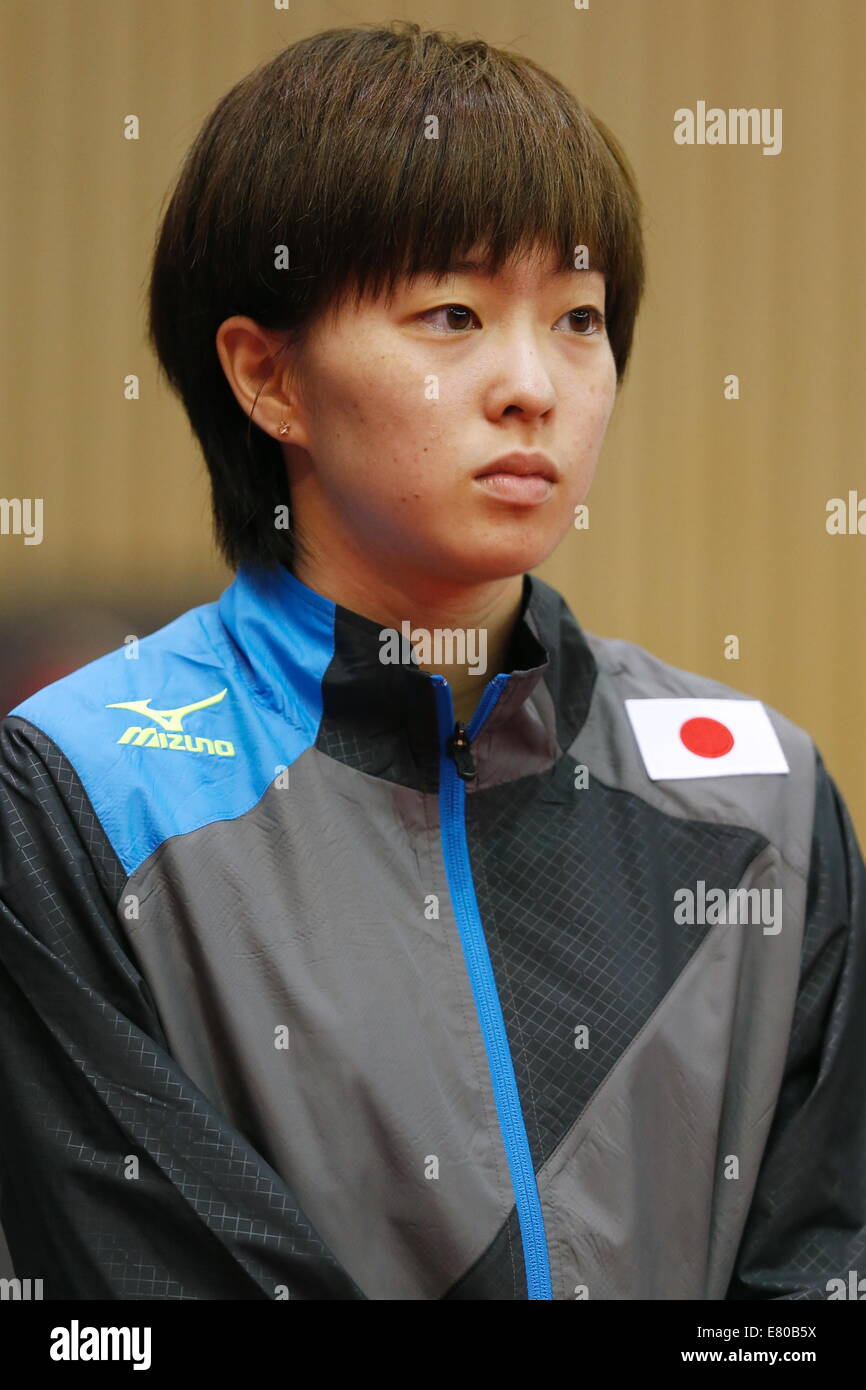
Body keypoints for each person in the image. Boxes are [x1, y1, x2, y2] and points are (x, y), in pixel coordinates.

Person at [0, 20, 863, 1301]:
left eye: (577, 318)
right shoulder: (76, 790)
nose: (534, 385)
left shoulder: (762, 796)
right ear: (266, 375)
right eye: (451, 314)